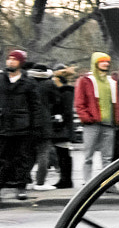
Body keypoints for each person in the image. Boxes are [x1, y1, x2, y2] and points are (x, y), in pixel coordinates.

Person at [1, 50, 46, 202]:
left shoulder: (29, 82)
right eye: (9, 59)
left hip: (23, 126)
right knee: (2, 158)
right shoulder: (1, 80)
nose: (11, 62)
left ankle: (21, 186)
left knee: (22, 157)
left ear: (20, 63)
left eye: (14, 60)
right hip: (3, 125)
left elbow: (36, 106)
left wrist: (36, 127)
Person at [74, 52, 119, 178]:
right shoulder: (86, 81)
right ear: (95, 63)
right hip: (92, 124)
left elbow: (116, 103)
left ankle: (108, 184)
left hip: (109, 125)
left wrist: (117, 120)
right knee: (88, 156)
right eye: (102, 61)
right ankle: (87, 184)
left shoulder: (112, 81)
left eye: (107, 61)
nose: (106, 64)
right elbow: (79, 103)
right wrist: (86, 118)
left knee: (108, 158)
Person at [40, 65, 76, 189]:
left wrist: (60, 121)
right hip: (62, 127)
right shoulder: (66, 91)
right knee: (62, 154)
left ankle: (66, 180)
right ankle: (65, 179)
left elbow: (66, 111)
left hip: (62, 127)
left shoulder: (65, 92)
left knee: (63, 154)